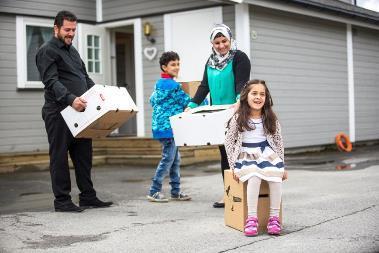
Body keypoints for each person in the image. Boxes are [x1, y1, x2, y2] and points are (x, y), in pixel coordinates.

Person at [35, 10, 113, 212]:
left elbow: (84, 77)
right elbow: (51, 81)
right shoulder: (47, 51)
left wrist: (98, 93)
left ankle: (88, 196)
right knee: (59, 157)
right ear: (56, 28)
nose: (71, 33)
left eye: (73, 30)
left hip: (80, 112)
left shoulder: (73, 51)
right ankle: (62, 201)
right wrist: (71, 100)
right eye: (67, 30)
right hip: (58, 112)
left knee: (83, 155)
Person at [186, 24, 251, 208]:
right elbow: (204, 87)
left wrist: (239, 100)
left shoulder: (239, 57)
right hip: (218, 115)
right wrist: (191, 106)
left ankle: (247, 191)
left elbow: (242, 82)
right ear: (212, 43)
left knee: (239, 152)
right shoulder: (210, 61)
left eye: (224, 41)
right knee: (225, 153)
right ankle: (229, 192)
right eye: (217, 42)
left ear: (230, 40)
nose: (221, 45)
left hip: (237, 111)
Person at [225, 79, 287, 236]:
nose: (258, 97)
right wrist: (233, 166)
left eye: (262, 94)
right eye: (254, 93)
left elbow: (279, 142)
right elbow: (228, 142)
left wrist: (282, 166)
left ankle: (274, 218)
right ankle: (251, 218)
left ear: (266, 98)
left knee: (275, 177)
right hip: (245, 155)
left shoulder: (270, 118)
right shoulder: (238, 118)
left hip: (266, 153)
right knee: (254, 176)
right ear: (246, 96)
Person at [147, 51, 192, 202]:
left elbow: (152, 100)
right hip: (169, 127)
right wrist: (204, 103)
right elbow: (186, 101)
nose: (177, 67)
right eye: (173, 64)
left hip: (162, 127)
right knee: (168, 159)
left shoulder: (158, 85)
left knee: (174, 159)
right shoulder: (173, 86)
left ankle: (175, 191)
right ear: (164, 67)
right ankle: (154, 190)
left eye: (178, 64)